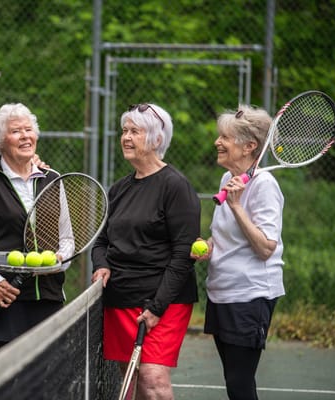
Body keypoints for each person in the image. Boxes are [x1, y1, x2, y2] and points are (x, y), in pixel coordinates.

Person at [91, 103, 201, 400]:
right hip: (121, 299)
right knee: (130, 383)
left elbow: (183, 255)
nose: (126, 137)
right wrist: (100, 265)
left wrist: (157, 307)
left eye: (135, 131)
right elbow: (100, 242)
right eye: (124, 131)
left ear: (156, 139)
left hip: (163, 300)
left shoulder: (176, 187)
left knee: (152, 380)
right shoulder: (118, 189)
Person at [192, 105, 285, 400]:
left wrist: (236, 206)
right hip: (222, 293)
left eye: (225, 138)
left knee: (239, 382)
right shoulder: (228, 180)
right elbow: (228, 236)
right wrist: (209, 245)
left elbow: (265, 247)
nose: (217, 142)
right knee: (234, 381)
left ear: (249, 146)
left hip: (250, 295)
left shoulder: (265, 185)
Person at [0, 103, 74, 356]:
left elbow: (67, 238)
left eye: (29, 129)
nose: (25, 136)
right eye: (16, 131)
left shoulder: (53, 179)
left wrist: (59, 261)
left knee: (46, 384)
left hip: (48, 300)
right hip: (4, 301)